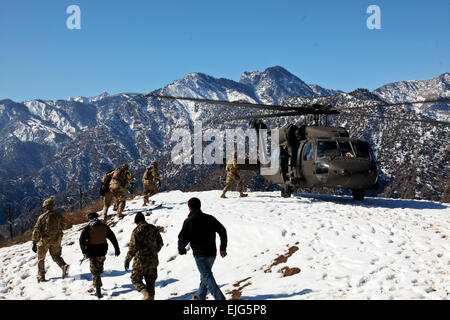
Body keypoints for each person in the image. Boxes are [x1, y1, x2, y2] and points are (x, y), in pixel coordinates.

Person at [178, 197, 227, 300]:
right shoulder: (210, 218)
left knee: (207, 277)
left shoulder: (189, 221)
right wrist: (223, 248)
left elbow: (182, 238)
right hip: (212, 254)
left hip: (200, 255)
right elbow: (223, 231)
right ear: (200, 206)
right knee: (204, 276)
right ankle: (200, 298)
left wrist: (181, 248)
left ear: (189, 208)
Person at [79, 212, 120, 299]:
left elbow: (81, 239)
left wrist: (84, 251)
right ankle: (98, 285)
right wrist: (117, 248)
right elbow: (112, 237)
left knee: (95, 272)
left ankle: (98, 292)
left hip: (93, 252)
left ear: (90, 218)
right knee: (99, 269)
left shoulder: (88, 227)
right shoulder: (104, 226)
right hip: (102, 252)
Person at [124, 212, 163, 300]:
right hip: (153, 260)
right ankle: (150, 298)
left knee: (135, 279)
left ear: (137, 222)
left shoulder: (137, 231)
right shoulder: (153, 228)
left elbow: (132, 248)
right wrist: (153, 252)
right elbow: (160, 243)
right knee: (151, 282)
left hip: (140, 261)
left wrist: (127, 260)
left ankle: (145, 293)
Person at [31, 196, 70, 283]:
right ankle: (64, 266)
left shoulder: (42, 217)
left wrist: (34, 242)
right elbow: (65, 226)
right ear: (53, 206)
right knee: (56, 256)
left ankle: (42, 276)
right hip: (56, 240)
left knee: (41, 259)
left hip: (44, 241)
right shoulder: (59, 216)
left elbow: (36, 230)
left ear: (45, 207)